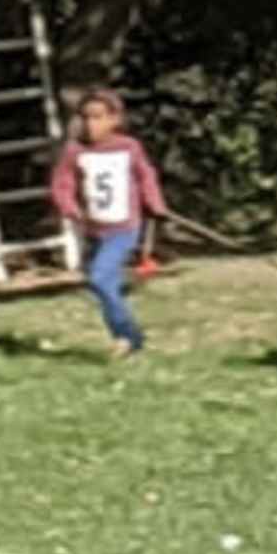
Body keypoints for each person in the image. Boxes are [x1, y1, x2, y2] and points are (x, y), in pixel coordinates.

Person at [47, 84, 167, 356]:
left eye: (98, 117)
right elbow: (62, 184)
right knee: (106, 285)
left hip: (124, 228)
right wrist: (70, 208)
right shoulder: (75, 151)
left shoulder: (129, 148)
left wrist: (154, 203)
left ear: (115, 119)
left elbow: (146, 176)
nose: (91, 124)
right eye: (86, 117)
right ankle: (132, 339)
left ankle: (125, 335)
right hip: (94, 230)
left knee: (99, 279)